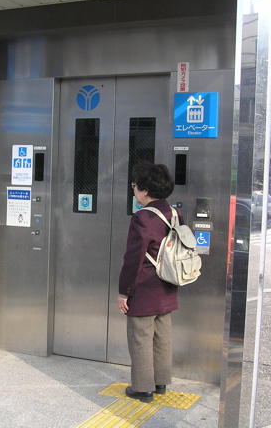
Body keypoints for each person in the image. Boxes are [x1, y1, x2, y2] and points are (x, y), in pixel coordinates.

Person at [118, 161, 181, 403]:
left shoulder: (142, 217)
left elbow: (133, 259)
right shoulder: (175, 214)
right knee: (163, 336)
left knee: (141, 338)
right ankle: (160, 382)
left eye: (135, 185)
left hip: (144, 288)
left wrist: (124, 292)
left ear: (145, 189)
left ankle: (142, 388)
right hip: (168, 285)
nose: (134, 190)